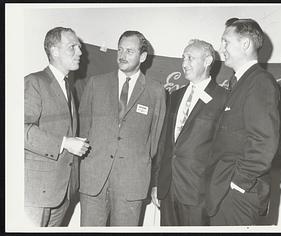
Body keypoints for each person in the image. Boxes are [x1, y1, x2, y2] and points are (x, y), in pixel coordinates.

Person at [78, 30, 166, 226]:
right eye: (120, 50)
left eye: (129, 51)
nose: (122, 56)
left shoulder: (156, 91)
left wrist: (137, 163)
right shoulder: (95, 84)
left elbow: (155, 140)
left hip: (131, 182)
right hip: (94, 179)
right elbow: (83, 130)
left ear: (143, 57)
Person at [207, 18, 280, 225]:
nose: (221, 48)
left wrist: (238, 184)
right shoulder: (239, 82)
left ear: (245, 44)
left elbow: (264, 142)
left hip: (238, 194)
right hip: (224, 190)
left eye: (226, 42)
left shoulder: (260, 82)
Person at [151, 39, 228, 226]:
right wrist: (157, 183)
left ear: (208, 61)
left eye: (190, 58)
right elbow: (164, 144)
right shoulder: (175, 96)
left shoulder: (223, 98)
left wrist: (214, 192)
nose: (184, 64)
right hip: (168, 189)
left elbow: (224, 151)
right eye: (183, 58)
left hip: (199, 194)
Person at [24, 27, 90, 226]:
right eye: (73, 47)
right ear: (54, 51)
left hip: (63, 191)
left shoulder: (68, 86)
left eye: (79, 47)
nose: (80, 52)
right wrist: (64, 143)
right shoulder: (34, 82)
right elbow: (17, 129)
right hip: (37, 193)